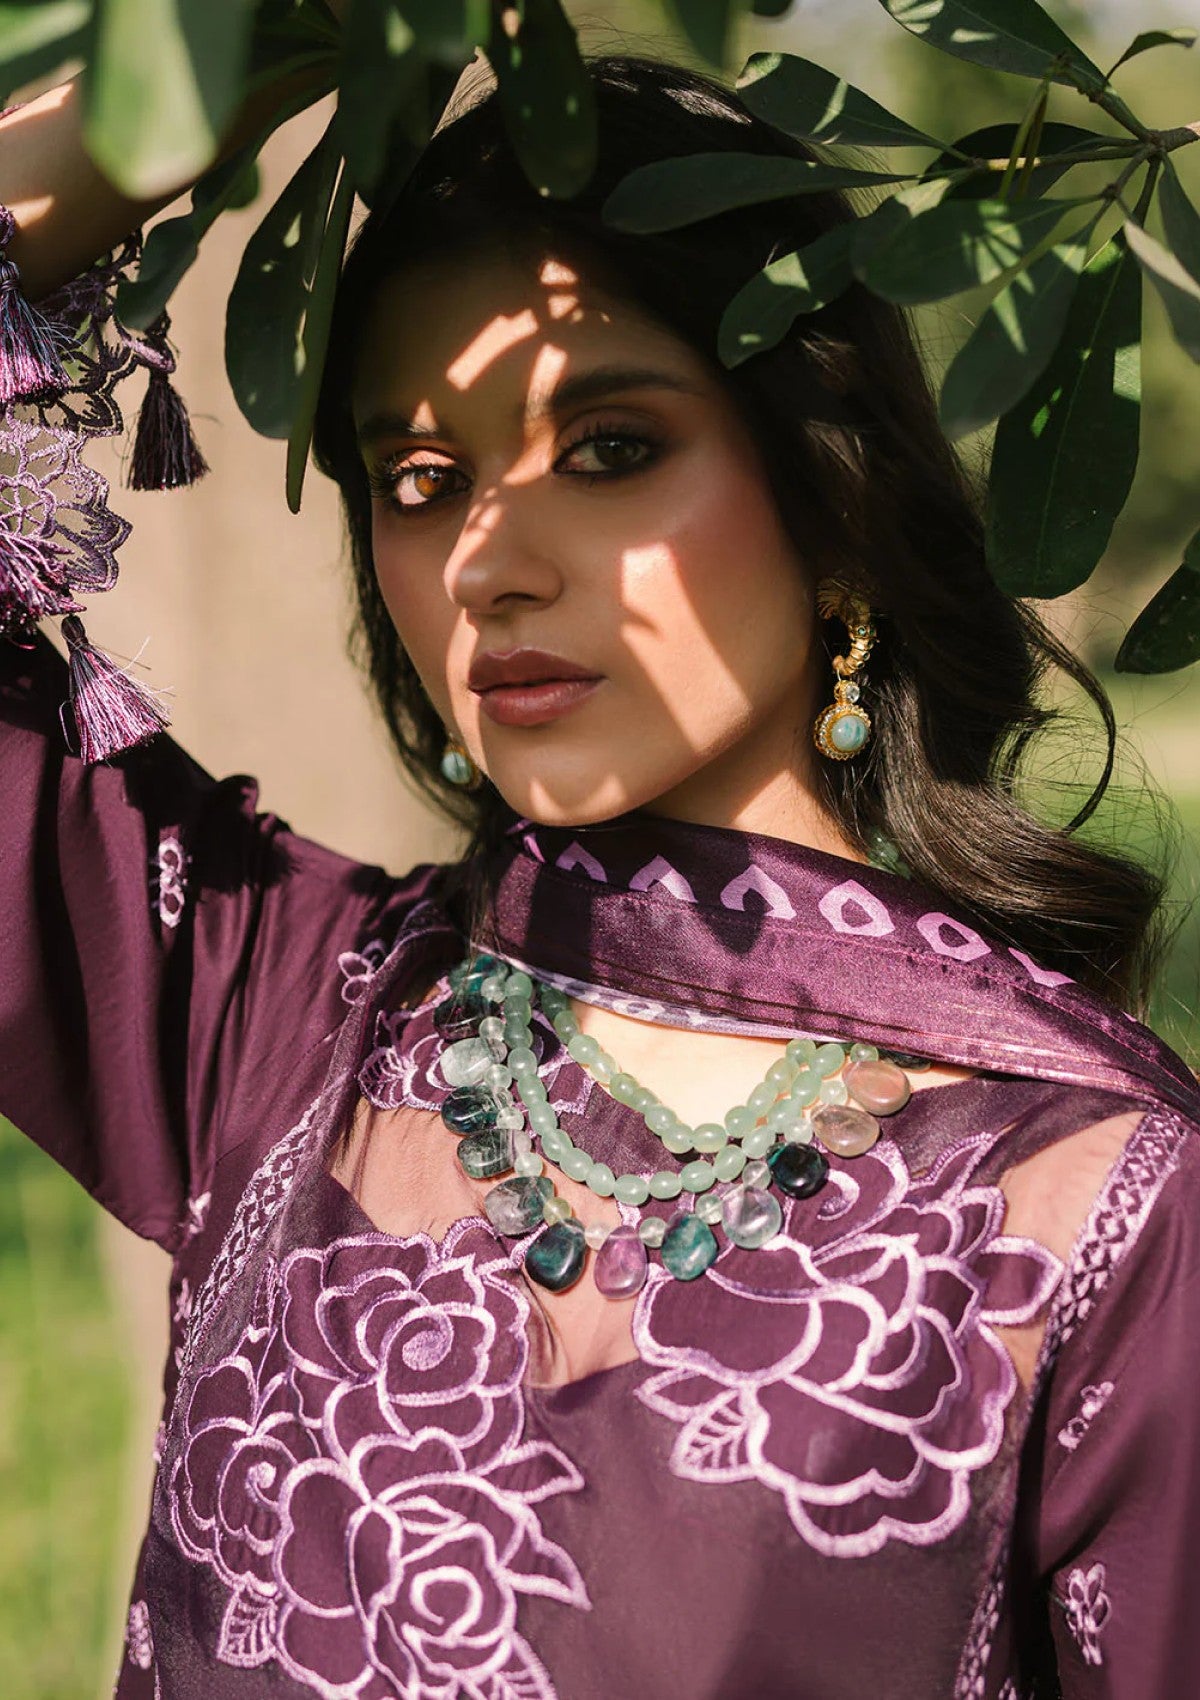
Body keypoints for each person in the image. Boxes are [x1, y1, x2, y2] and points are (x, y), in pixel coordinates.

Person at [2, 49, 1199, 1700]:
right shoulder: (278, 1017)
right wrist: (203, 62)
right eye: (421, 483)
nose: (488, 561)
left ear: (829, 496)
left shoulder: (1100, 1204)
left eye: (611, 446)